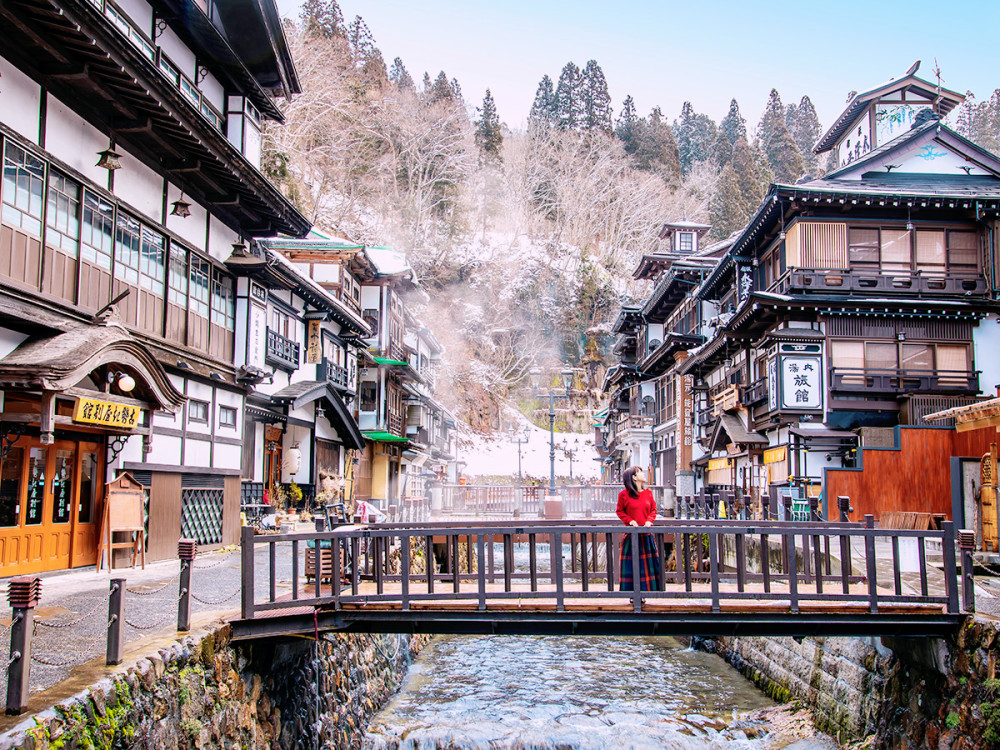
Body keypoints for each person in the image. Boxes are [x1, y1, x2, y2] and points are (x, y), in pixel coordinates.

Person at [616, 466, 661, 592]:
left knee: (648, 566)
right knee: (631, 567)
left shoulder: (648, 493)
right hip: (631, 535)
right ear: (634, 477)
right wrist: (630, 521)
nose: (643, 474)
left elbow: (653, 510)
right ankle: (631, 595)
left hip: (646, 534)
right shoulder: (623, 495)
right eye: (640, 472)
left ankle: (648, 593)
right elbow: (619, 511)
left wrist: (649, 521)